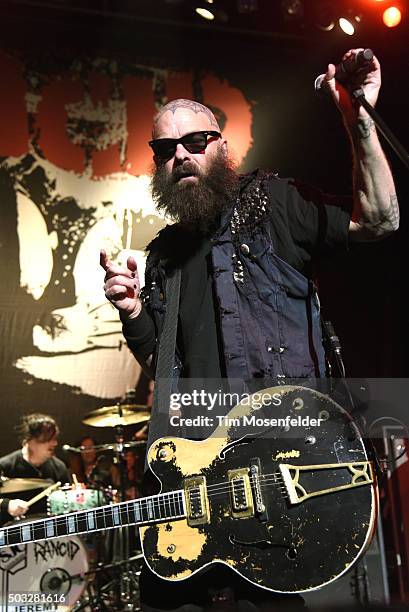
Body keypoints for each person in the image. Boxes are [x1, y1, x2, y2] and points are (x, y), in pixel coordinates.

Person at [100, 49, 399, 610]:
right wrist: (133, 311)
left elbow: (379, 218)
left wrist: (358, 122)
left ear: (221, 145)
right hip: (201, 493)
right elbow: (166, 371)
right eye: (165, 150)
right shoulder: (162, 256)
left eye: (195, 142)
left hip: (278, 485)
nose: (181, 157)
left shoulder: (274, 203)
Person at [0, 413, 70, 515]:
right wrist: (7, 505)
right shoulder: (5, 466)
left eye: (55, 438)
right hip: (13, 528)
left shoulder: (59, 467)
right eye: (48, 438)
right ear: (30, 439)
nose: (55, 443)